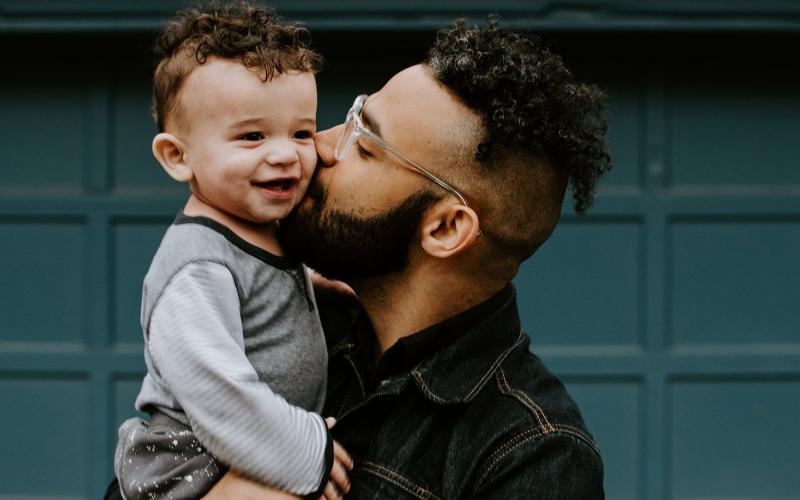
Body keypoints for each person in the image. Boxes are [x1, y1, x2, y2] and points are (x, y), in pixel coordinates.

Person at [205, 17, 612, 499]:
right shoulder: (277, 323)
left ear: (444, 228)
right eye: (352, 114)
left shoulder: (530, 452)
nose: (317, 145)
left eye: (364, 143)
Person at [111, 2, 351, 499]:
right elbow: (220, 394)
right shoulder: (197, 267)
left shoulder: (264, 226)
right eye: (252, 136)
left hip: (239, 450)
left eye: (301, 132)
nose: (285, 153)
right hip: (190, 465)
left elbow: (262, 295)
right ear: (177, 157)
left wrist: (315, 285)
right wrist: (309, 451)